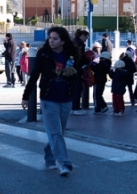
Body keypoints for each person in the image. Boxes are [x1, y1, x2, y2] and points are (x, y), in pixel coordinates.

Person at [22, 26, 80, 176]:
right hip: (48, 98)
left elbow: (78, 73)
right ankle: (64, 163)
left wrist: (73, 73)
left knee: (59, 132)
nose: (51, 41)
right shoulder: (44, 54)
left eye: (55, 38)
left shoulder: (71, 54)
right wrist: (26, 95)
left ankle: (49, 155)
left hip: (66, 97)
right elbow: (34, 75)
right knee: (55, 132)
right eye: (50, 38)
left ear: (62, 41)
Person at [71, 29, 90, 115]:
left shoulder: (73, 41)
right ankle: (76, 107)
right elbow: (80, 56)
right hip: (77, 68)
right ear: (83, 36)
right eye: (86, 37)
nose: (86, 39)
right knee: (78, 88)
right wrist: (86, 62)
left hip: (71, 68)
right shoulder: (80, 44)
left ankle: (72, 107)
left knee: (73, 88)